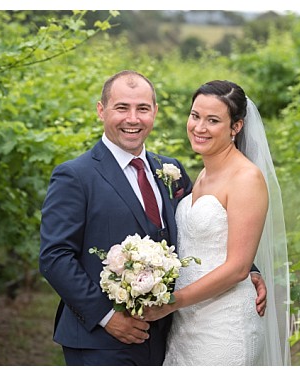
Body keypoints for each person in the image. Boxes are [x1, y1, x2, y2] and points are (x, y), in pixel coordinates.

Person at [39, 71, 267, 366]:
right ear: (101, 110)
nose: (132, 119)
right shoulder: (75, 175)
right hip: (100, 342)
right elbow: (54, 257)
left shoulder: (170, 170)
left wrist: (248, 267)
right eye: (122, 108)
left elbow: (207, 230)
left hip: (167, 333)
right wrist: (107, 317)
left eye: (142, 109)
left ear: (154, 112)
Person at [139, 80, 291, 365]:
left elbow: (237, 268)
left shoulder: (246, 178)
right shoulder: (202, 174)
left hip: (224, 324)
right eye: (195, 116)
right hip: (186, 323)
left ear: (236, 127)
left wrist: (171, 303)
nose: (199, 127)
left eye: (213, 120)